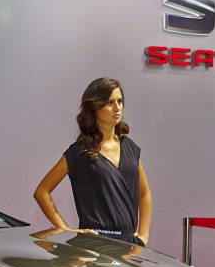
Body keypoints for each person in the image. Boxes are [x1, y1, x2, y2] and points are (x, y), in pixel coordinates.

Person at [34, 77, 152, 247]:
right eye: (110, 102)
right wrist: (65, 230)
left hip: (130, 245)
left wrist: (143, 235)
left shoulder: (130, 147)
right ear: (95, 107)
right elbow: (42, 192)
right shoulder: (79, 152)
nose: (117, 107)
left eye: (120, 101)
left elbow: (145, 193)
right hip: (94, 245)